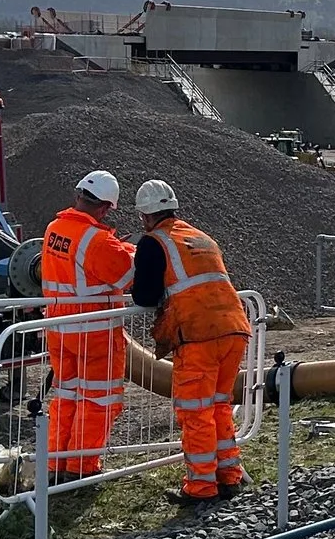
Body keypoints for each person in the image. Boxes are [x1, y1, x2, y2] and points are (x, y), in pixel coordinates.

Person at [131, 179, 254, 503]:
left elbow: (144, 294)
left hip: (199, 335)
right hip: (234, 328)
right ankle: (229, 476)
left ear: (145, 216)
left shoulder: (153, 242)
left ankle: (200, 487)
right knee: (218, 405)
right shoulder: (200, 237)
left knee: (195, 411)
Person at [40, 170, 135, 481]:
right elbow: (125, 275)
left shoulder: (54, 228)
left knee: (67, 395)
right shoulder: (95, 239)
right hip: (93, 332)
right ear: (105, 208)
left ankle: (56, 463)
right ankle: (80, 469)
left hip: (59, 328)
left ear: (78, 196)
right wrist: (132, 251)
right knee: (98, 400)